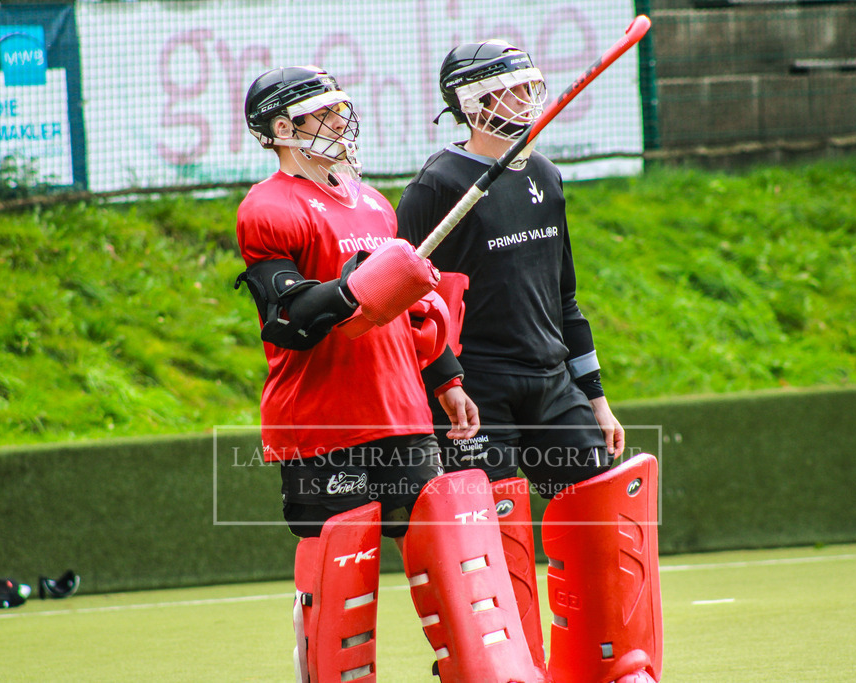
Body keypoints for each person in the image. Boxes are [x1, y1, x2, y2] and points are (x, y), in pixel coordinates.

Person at [235, 65, 546, 682]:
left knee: (452, 562)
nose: (338, 123)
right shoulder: (267, 207)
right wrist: (352, 289)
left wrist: (447, 380)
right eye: (321, 115)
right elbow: (285, 319)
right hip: (324, 422)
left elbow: (415, 312)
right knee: (341, 574)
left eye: (338, 111)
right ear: (280, 129)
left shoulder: (375, 204)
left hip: (403, 415)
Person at [395, 42, 663, 683]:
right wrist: (443, 381)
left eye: (529, 88)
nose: (526, 101)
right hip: (477, 392)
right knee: (492, 546)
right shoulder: (437, 186)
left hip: (552, 385)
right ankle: (508, 670)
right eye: (510, 90)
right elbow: (405, 301)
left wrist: (595, 396)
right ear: (473, 103)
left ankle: (612, 664)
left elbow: (565, 299)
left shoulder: (544, 173)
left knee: (600, 519)